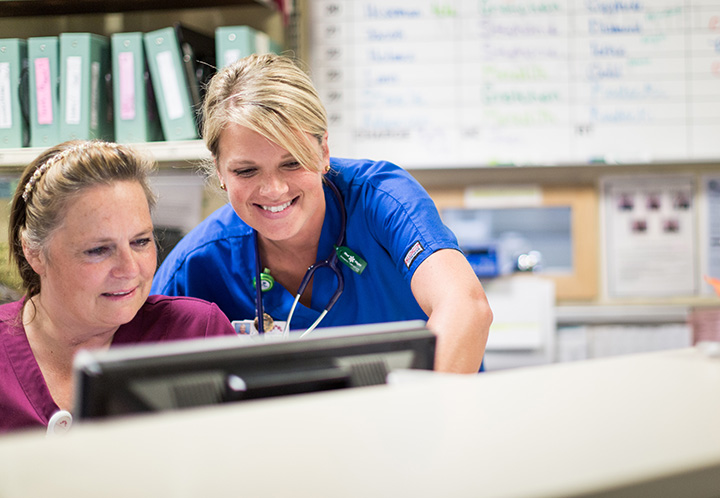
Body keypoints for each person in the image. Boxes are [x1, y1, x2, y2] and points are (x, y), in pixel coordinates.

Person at [151, 54, 492, 373]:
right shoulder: (199, 263)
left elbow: (466, 307)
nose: (273, 190)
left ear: (323, 151)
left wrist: (427, 418)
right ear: (220, 171)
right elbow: (130, 360)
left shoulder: (381, 201)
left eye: (292, 163)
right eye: (246, 171)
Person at [0, 140, 237, 434]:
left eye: (141, 241)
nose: (129, 269)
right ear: (34, 252)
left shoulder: (196, 334)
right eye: (98, 250)